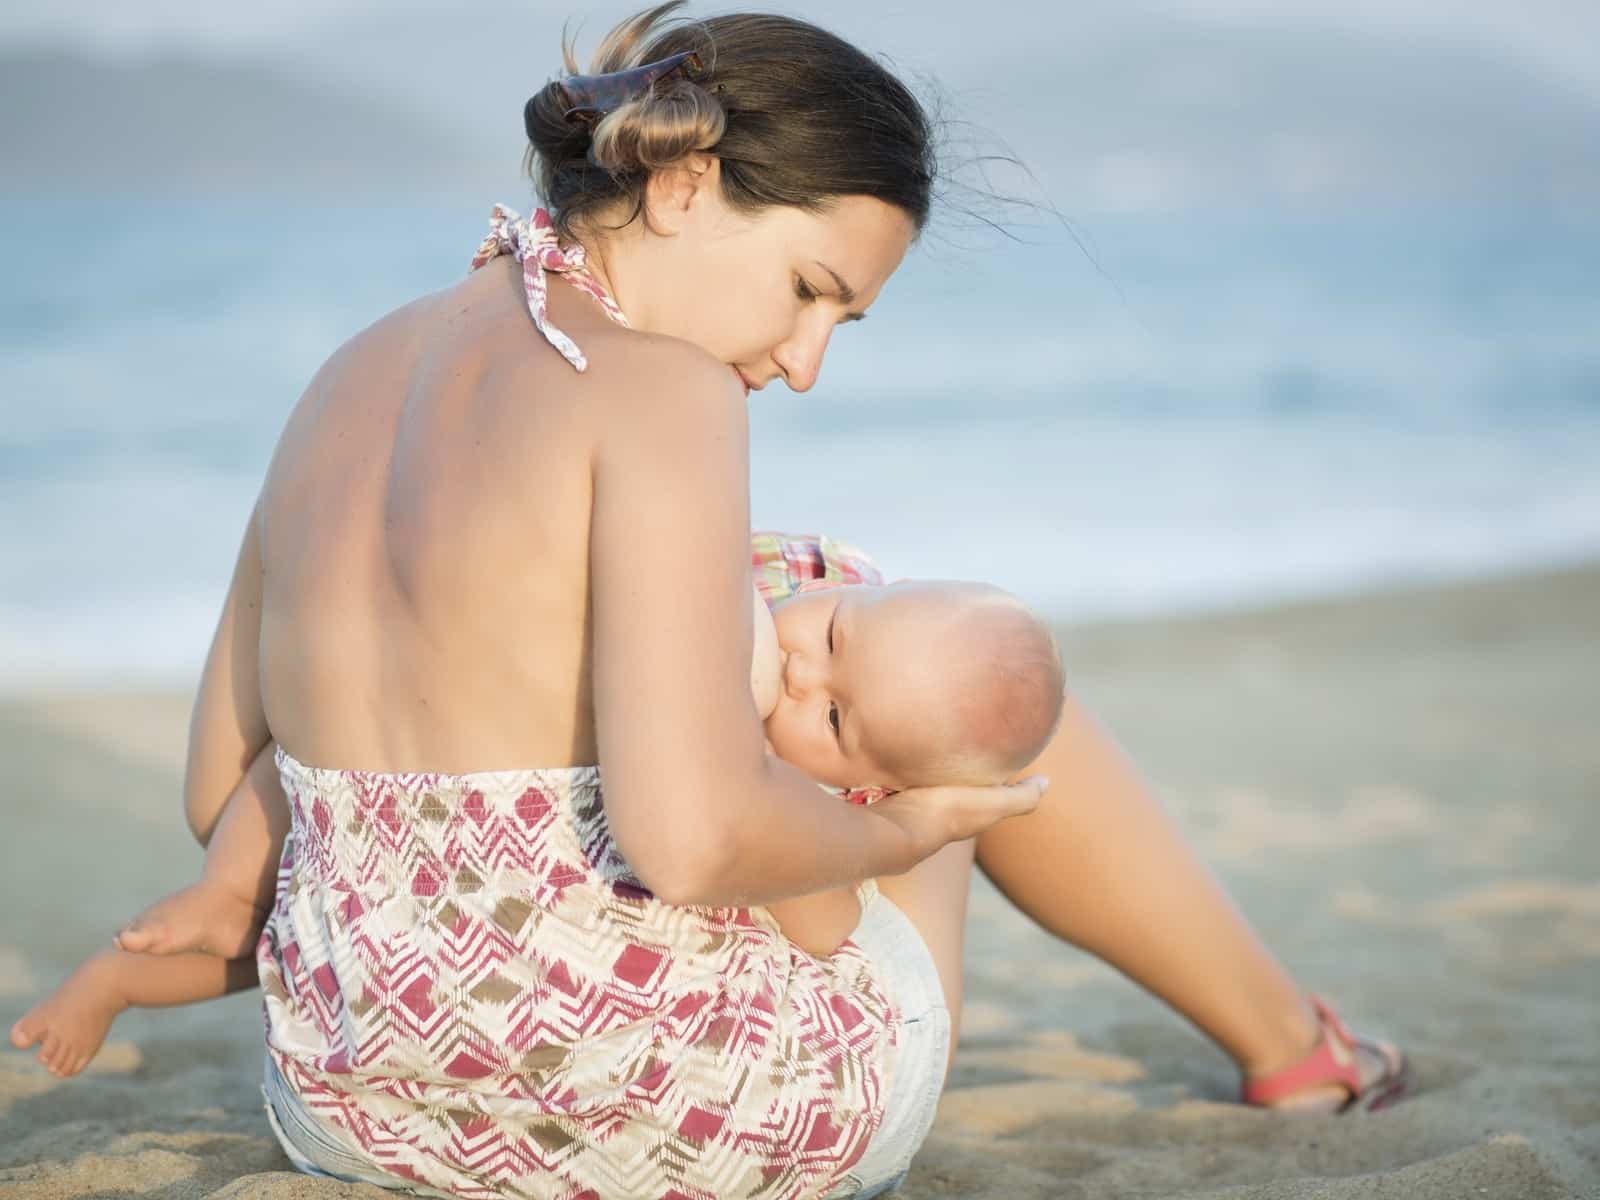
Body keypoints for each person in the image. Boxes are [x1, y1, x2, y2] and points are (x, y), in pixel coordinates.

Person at [11, 5, 1407, 1198]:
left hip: (353, 1111)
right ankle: (1292, 1050)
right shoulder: (656, 388)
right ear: (680, 185)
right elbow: (686, 845)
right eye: (809, 292)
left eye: (836, 327)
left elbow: (223, 790)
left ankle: (1285, 1033)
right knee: (905, 653)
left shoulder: (349, 371)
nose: (804, 365)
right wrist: (911, 824)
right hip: (672, 1119)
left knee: (804, 622)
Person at [11, 533, 1067, 1063]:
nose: (801, 677)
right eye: (831, 636)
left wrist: (833, 821)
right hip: (450, 866)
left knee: (286, 953)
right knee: (293, 807)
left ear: (865, 780)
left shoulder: (814, 805)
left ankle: (120, 980)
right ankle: (203, 899)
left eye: (833, 720)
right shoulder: (731, 623)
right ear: (843, 587)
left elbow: (826, 925)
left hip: (558, 957)